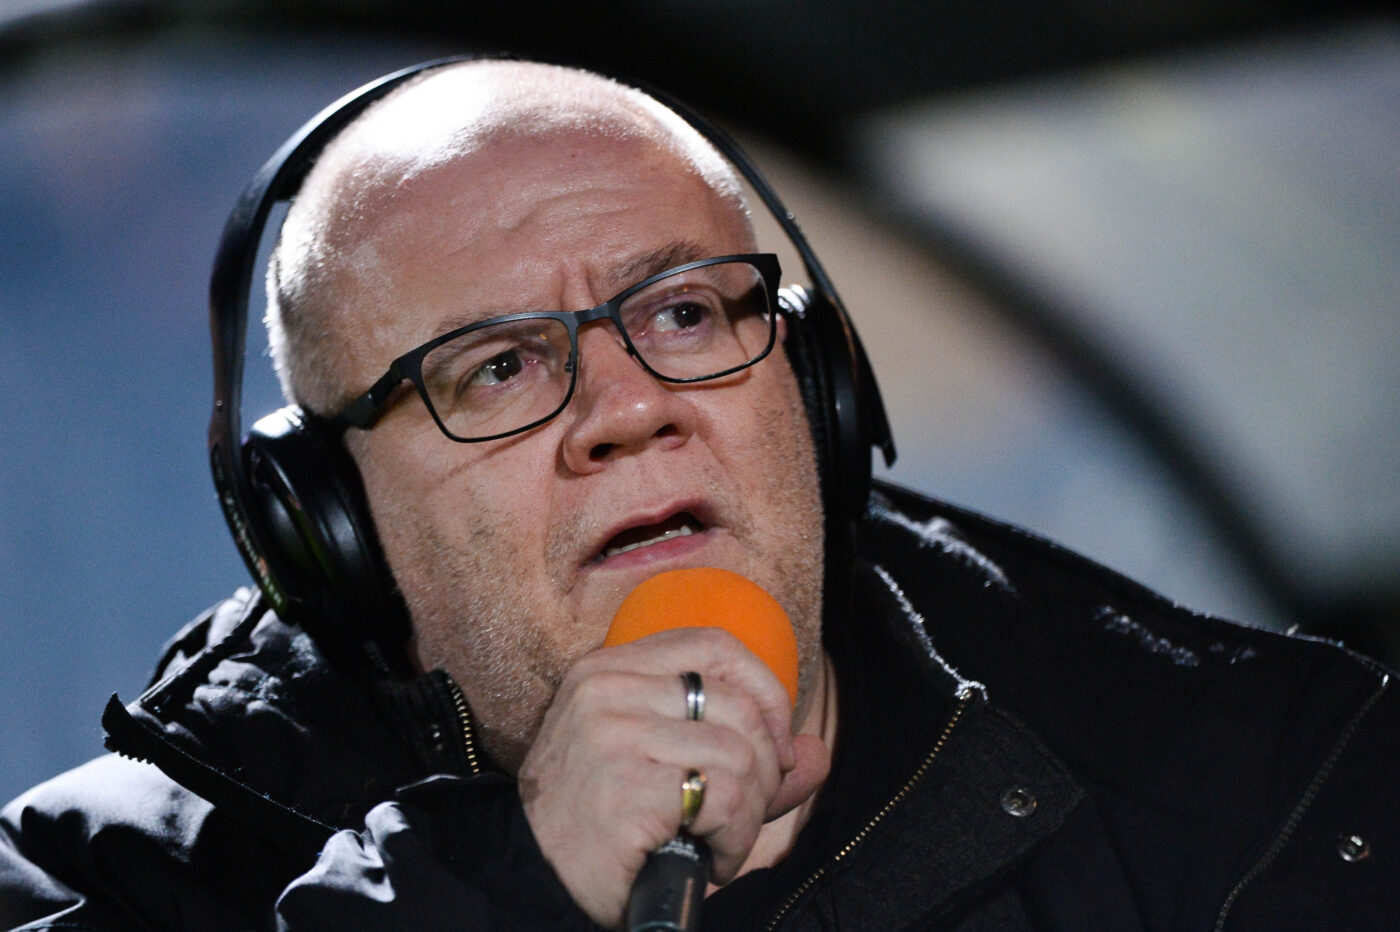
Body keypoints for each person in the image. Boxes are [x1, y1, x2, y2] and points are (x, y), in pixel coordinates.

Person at [2, 57, 1397, 932]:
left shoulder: (1265, 796)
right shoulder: (110, 881)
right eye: (496, 368)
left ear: (817, 388)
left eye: (682, 312)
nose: (627, 408)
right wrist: (506, 892)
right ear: (331, 528)